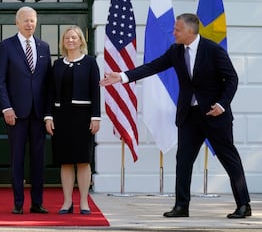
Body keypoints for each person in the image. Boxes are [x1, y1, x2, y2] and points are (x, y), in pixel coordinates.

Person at [100, 13, 251, 219]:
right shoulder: (176, 51)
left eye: (177, 29)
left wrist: (222, 105)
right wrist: (123, 76)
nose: (173, 33)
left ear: (190, 31)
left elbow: (231, 79)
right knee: (184, 160)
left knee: (229, 159)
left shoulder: (213, 50)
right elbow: (153, 66)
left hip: (215, 114)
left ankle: (244, 205)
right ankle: (182, 206)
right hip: (189, 116)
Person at [0, 6, 51, 214]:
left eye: (32, 20)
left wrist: (48, 113)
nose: (29, 24)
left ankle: (37, 203)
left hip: (37, 114)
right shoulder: (6, 46)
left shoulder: (44, 47)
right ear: (17, 23)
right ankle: (18, 203)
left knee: (38, 159)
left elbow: (47, 83)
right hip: (15, 114)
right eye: (25, 20)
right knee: (17, 159)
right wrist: (6, 107)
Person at [45, 26, 100, 215]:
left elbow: (96, 91)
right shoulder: (58, 64)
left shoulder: (90, 62)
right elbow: (50, 93)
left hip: (83, 116)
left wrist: (96, 117)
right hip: (61, 117)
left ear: (81, 41)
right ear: (63, 42)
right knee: (65, 161)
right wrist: (48, 117)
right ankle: (67, 202)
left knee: (83, 160)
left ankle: (84, 202)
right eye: (67, 38)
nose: (70, 40)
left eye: (74, 38)